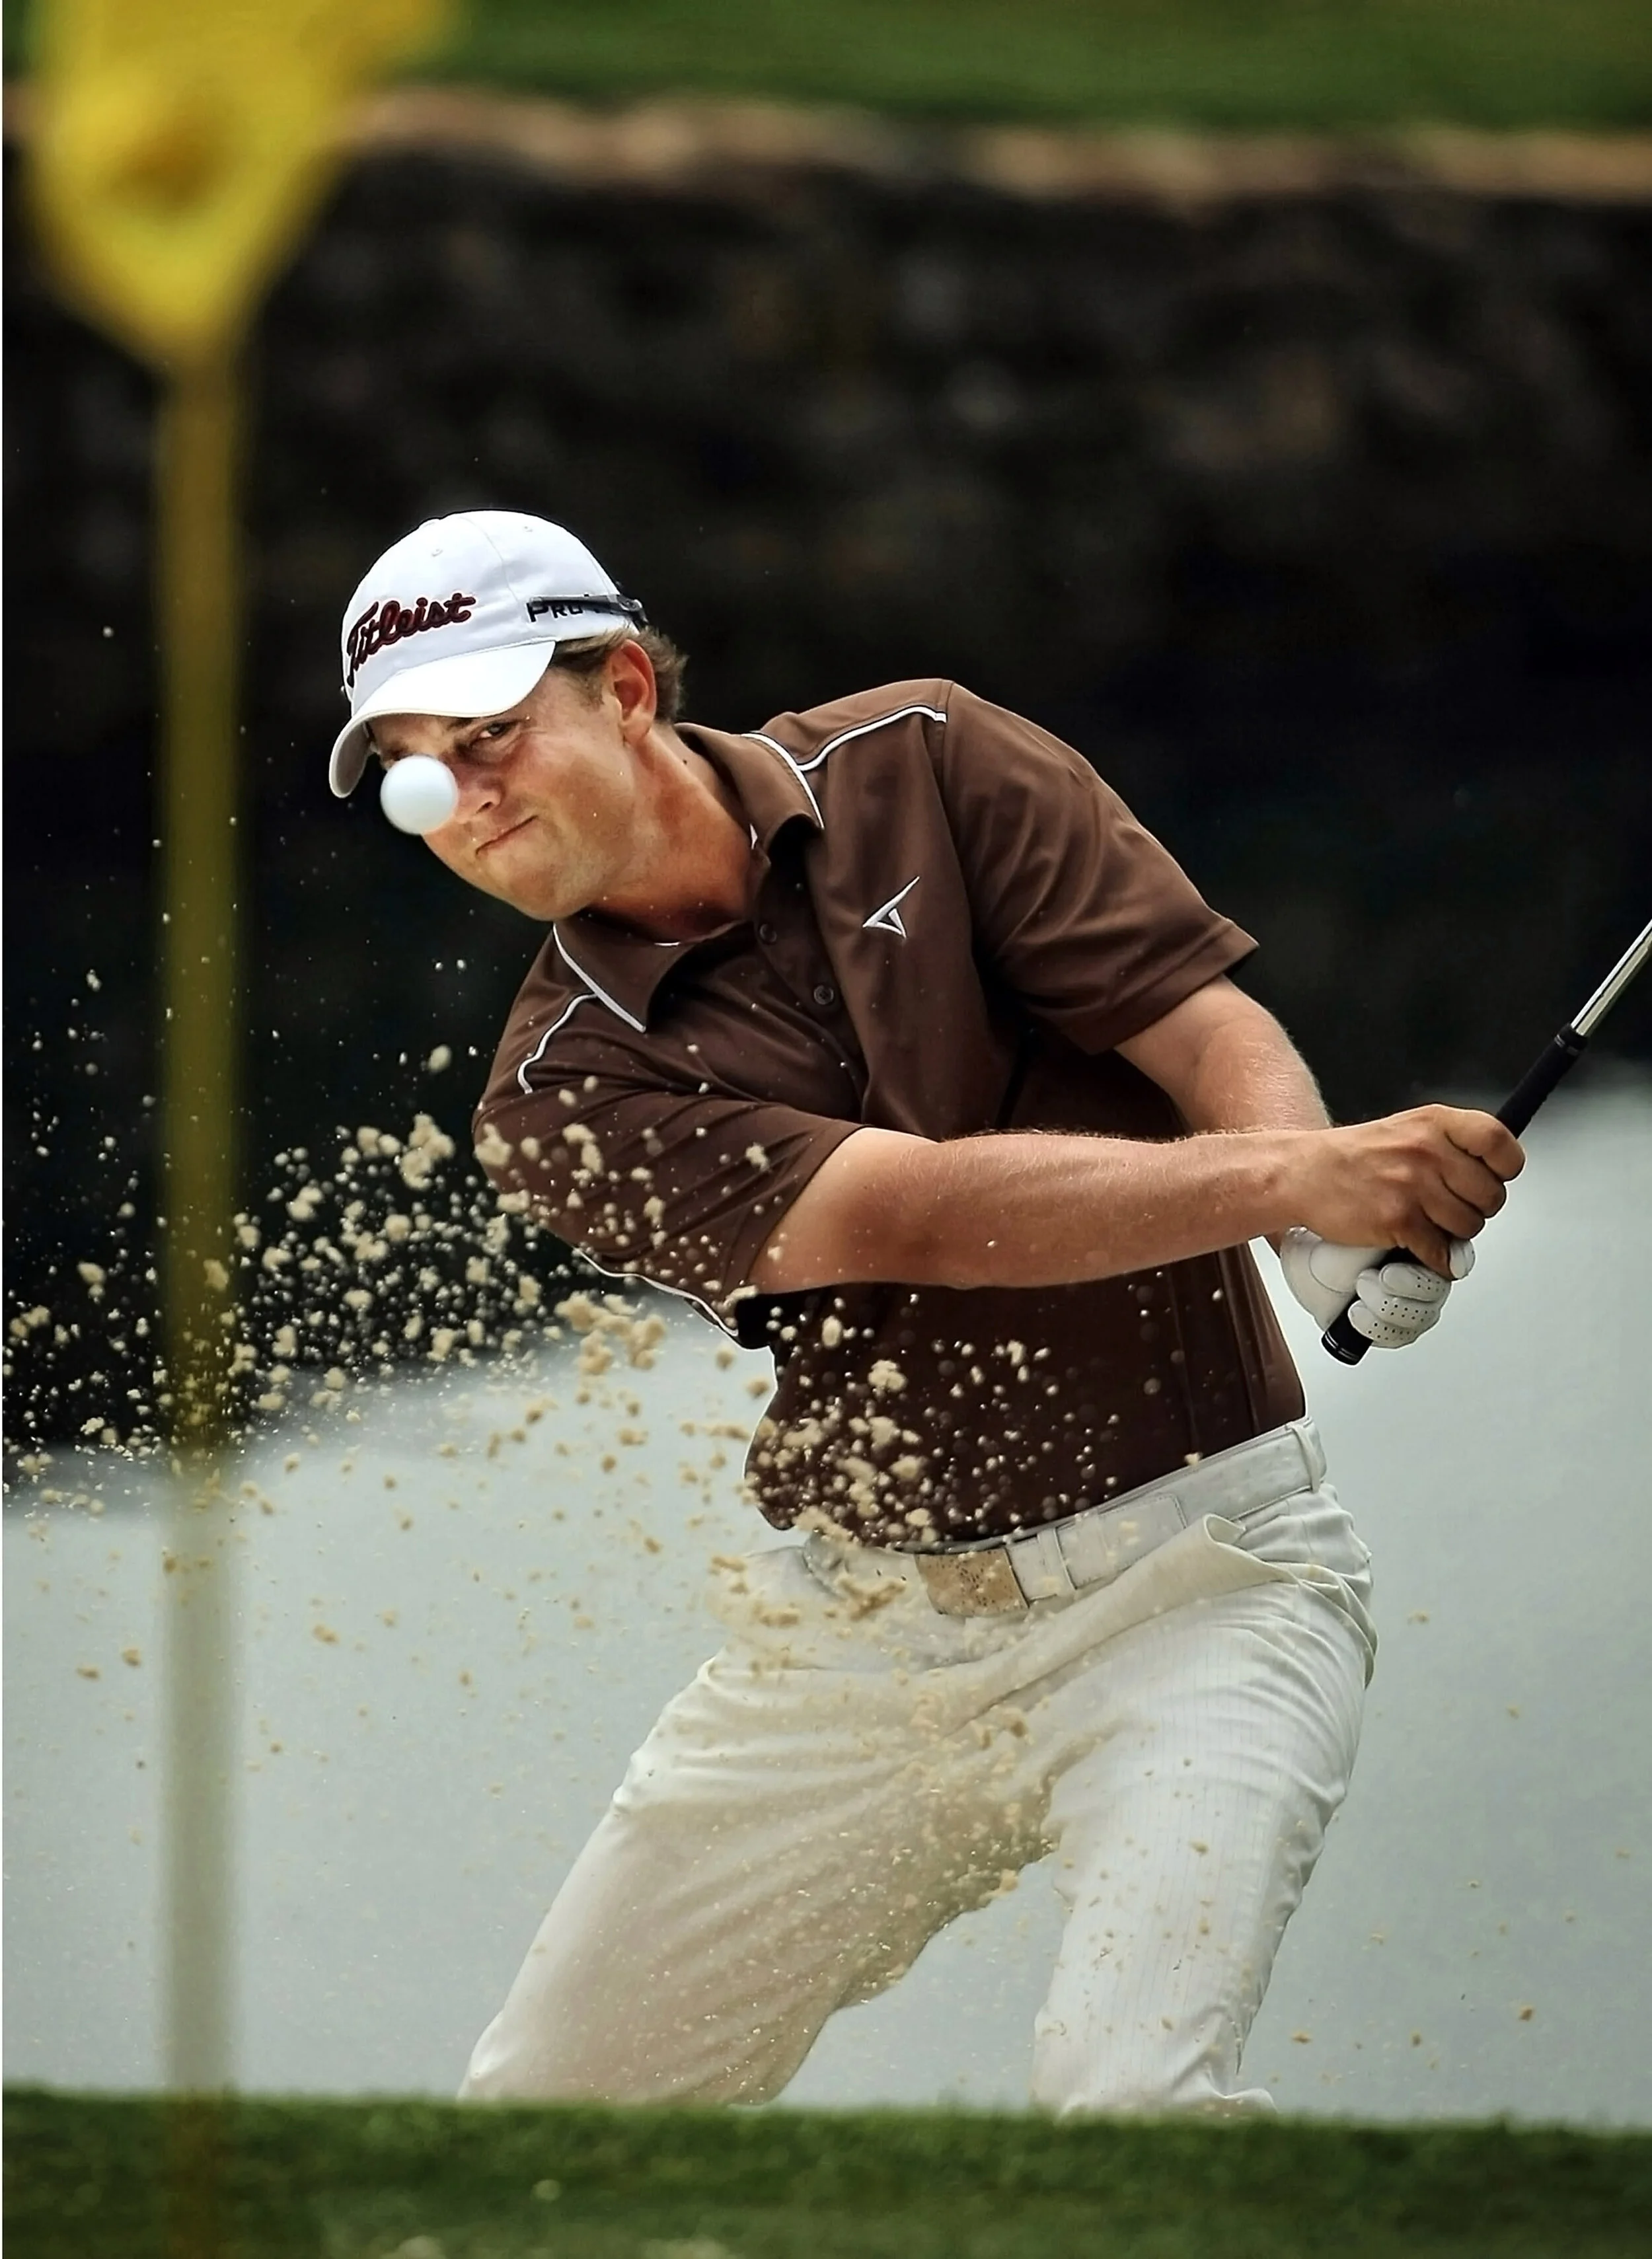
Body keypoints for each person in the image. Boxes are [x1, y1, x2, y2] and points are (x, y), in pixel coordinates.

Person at [328, 510, 1523, 2113]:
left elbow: (1187, 1020)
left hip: (1206, 1580)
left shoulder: (926, 757)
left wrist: (1303, 1193)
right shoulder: (559, 1092)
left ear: (621, 685)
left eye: (487, 737)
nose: (460, 804)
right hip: (856, 1646)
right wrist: (1292, 1184)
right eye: (413, 770)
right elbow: (922, 1215)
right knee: (539, 2141)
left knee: (1131, 2107)